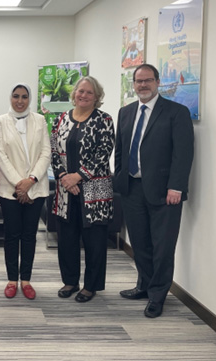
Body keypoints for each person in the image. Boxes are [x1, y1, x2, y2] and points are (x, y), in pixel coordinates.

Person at [114, 64, 194, 318]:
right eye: (138, 81)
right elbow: (121, 150)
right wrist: (120, 182)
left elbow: (183, 153)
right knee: (140, 242)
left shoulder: (176, 112)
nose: (143, 85)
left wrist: (177, 186)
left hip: (164, 191)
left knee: (162, 245)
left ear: (158, 82)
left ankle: (158, 295)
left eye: (148, 80)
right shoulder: (125, 112)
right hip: (132, 188)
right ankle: (144, 286)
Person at [50, 77, 115, 303]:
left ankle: (90, 285)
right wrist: (63, 177)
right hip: (65, 190)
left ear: (96, 97)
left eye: (89, 93)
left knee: (94, 240)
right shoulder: (60, 119)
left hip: (95, 191)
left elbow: (104, 153)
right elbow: (53, 152)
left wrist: (78, 176)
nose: (84, 95)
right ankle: (70, 281)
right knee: (66, 237)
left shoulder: (104, 120)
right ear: (74, 93)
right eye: (80, 91)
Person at [0, 83, 51, 299]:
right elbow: (0, 156)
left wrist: (31, 180)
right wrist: (20, 183)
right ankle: (11, 279)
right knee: (11, 235)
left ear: (30, 98)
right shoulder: (0, 122)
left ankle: (26, 279)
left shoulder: (40, 120)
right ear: (10, 98)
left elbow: (46, 152)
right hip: (10, 190)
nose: (20, 100)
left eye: (24, 96)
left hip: (36, 188)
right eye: (16, 96)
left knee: (29, 236)